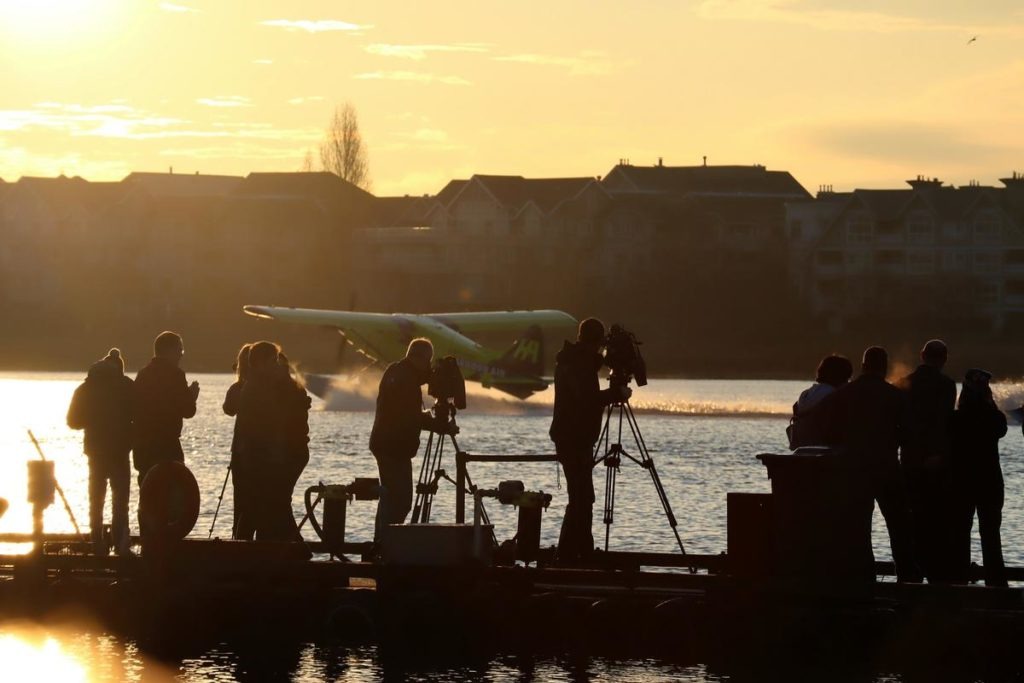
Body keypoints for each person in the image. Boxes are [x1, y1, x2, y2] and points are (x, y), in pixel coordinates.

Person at [823, 346, 920, 582]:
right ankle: (907, 578)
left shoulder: (843, 394)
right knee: (899, 527)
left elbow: (829, 432)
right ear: (884, 368)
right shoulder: (896, 396)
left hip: (853, 470)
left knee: (858, 527)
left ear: (863, 366)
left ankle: (863, 577)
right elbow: (908, 434)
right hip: (887, 468)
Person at [549, 318, 631, 564]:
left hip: (575, 438)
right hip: (573, 439)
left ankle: (574, 553)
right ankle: (572, 555)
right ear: (595, 342)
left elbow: (586, 393)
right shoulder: (577, 363)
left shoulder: (574, 359)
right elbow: (587, 399)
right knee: (582, 498)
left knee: (582, 498)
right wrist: (617, 393)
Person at [234, 341, 311, 541]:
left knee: (271, 502)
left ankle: (277, 547)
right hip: (267, 456)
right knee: (272, 503)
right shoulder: (259, 387)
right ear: (262, 363)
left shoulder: (267, 385)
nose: (277, 364)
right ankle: (287, 548)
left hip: (279, 455)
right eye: (273, 360)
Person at [369, 338, 445, 536]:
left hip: (387, 444)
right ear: (422, 359)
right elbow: (410, 415)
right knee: (400, 502)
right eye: (428, 362)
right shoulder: (406, 379)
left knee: (390, 498)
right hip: (394, 448)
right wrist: (437, 424)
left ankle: (381, 543)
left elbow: (408, 412)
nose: (429, 368)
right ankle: (386, 544)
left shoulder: (397, 371)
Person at [897, 339, 957, 582]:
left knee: (912, 516)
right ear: (944, 358)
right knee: (935, 518)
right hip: (936, 459)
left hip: (910, 458)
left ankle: (911, 573)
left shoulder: (905, 383)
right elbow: (946, 423)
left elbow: (900, 421)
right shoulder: (947, 385)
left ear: (922, 355)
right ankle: (936, 573)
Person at [67, 349, 134, 556]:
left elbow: (72, 421)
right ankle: (120, 542)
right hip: (120, 451)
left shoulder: (85, 388)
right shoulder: (126, 387)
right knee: (120, 500)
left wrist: (92, 420)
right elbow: (139, 415)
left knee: (96, 499)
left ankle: (96, 543)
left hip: (95, 452)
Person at [951, 369, 1008, 586]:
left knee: (960, 532)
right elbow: (1000, 430)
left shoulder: (955, 419)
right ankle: (996, 583)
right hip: (990, 481)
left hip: (962, 481)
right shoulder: (995, 418)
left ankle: (958, 581)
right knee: (991, 534)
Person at [133, 331, 200, 491]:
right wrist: (192, 396)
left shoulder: (142, 374)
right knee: (172, 493)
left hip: (143, 446)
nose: (181, 355)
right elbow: (188, 411)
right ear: (169, 351)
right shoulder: (175, 375)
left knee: (148, 495)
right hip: (167, 445)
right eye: (180, 351)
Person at [787, 354, 853, 449]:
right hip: (823, 447)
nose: (847, 382)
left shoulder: (805, 394)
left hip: (801, 446)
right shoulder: (834, 395)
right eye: (847, 379)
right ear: (841, 377)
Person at [223, 343, 252, 540]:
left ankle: (240, 538)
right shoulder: (266, 387)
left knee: (241, 500)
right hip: (254, 453)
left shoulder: (238, 387)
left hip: (241, 452)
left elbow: (228, 408)